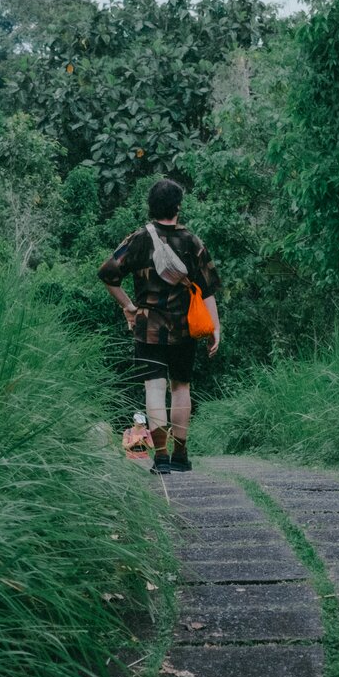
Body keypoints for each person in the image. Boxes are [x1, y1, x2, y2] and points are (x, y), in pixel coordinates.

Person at [98, 176, 222, 474]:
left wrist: (128, 305)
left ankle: (162, 457)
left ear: (151, 206)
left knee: (154, 388)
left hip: (148, 327)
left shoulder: (139, 239)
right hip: (184, 329)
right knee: (181, 388)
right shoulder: (192, 242)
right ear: (178, 206)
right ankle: (180, 456)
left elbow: (107, 274)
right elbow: (207, 290)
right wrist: (215, 328)